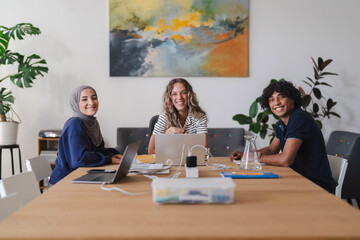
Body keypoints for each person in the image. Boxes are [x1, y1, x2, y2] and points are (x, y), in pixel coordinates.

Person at [230, 80, 337, 194]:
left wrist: (256, 157)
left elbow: (286, 160)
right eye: (271, 99)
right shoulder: (283, 122)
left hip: (316, 187)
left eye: (281, 97)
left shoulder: (299, 118)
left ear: (292, 99)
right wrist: (246, 155)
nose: (276, 103)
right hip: (299, 180)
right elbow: (272, 149)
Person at [49, 85, 122, 185]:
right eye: (84, 99)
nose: (91, 103)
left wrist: (113, 154)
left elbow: (97, 151)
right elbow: (79, 159)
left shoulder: (92, 123)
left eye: (94, 98)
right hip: (64, 182)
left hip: (81, 177)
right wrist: (109, 160)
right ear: (76, 103)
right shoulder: (74, 124)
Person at [148, 78, 208, 154]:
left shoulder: (199, 117)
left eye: (183, 92)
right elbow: (151, 150)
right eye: (174, 94)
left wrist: (183, 132)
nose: (179, 97)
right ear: (170, 97)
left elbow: (204, 149)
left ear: (189, 95)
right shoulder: (164, 117)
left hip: (192, 163)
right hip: (169, 162)